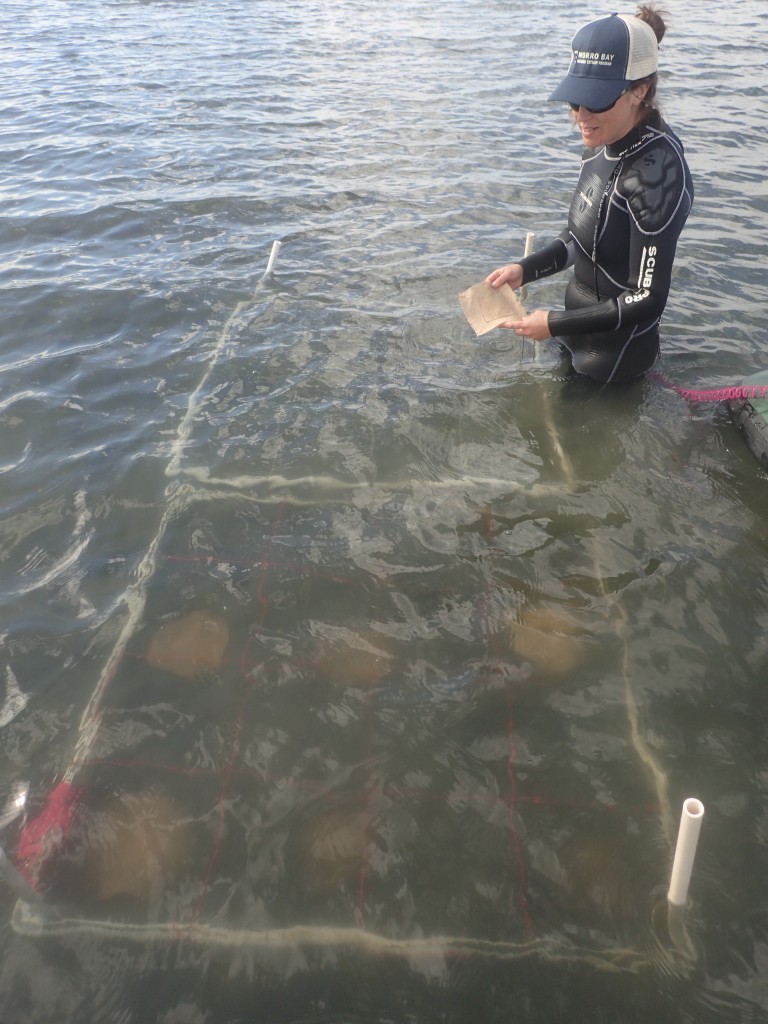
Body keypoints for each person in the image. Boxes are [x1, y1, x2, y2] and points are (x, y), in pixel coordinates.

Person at [487, 5, 693, 384]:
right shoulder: (600, 139)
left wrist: (553, 323)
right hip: (570, 330)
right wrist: (524, 270)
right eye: (575, 100)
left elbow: (647, 297)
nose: (581, 115)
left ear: (640, 91)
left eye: (595, 101)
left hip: (617, 353)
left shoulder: (657, 173)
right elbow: (580, 238)